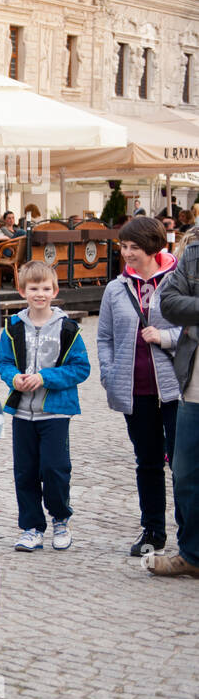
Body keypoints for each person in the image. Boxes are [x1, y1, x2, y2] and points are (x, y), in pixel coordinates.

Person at [97, 216, 181, 556]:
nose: (126, 253)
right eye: (124, 246)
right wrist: (109, 371)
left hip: (176, 388)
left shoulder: (178, 282)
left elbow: (192, 329)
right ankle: (152, 532)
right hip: (135, 390)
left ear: (151, 248)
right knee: (147, 462)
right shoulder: (116, 288)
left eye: (133, 247)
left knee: (183, 465)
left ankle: (190, 535)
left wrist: (164, 337)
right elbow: (104, 337)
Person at [0, 261, 91, 552]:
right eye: (34, 288)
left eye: (46, 288)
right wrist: (14, 378)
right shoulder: (12, 328)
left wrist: (44, 377)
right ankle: (31, 527)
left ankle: (61, 518)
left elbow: (81, 368)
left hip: (56, 412)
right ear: (23, 291)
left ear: (55, 290)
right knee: (24, 472)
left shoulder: (68, 328)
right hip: (23, 412)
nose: (40, 294)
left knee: (54, 468)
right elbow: (3, 363)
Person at [154, 226, 199, 576]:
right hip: (194, 389)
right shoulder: (195, 254)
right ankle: (192, 554)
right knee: (185, 473)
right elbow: (167, 301)